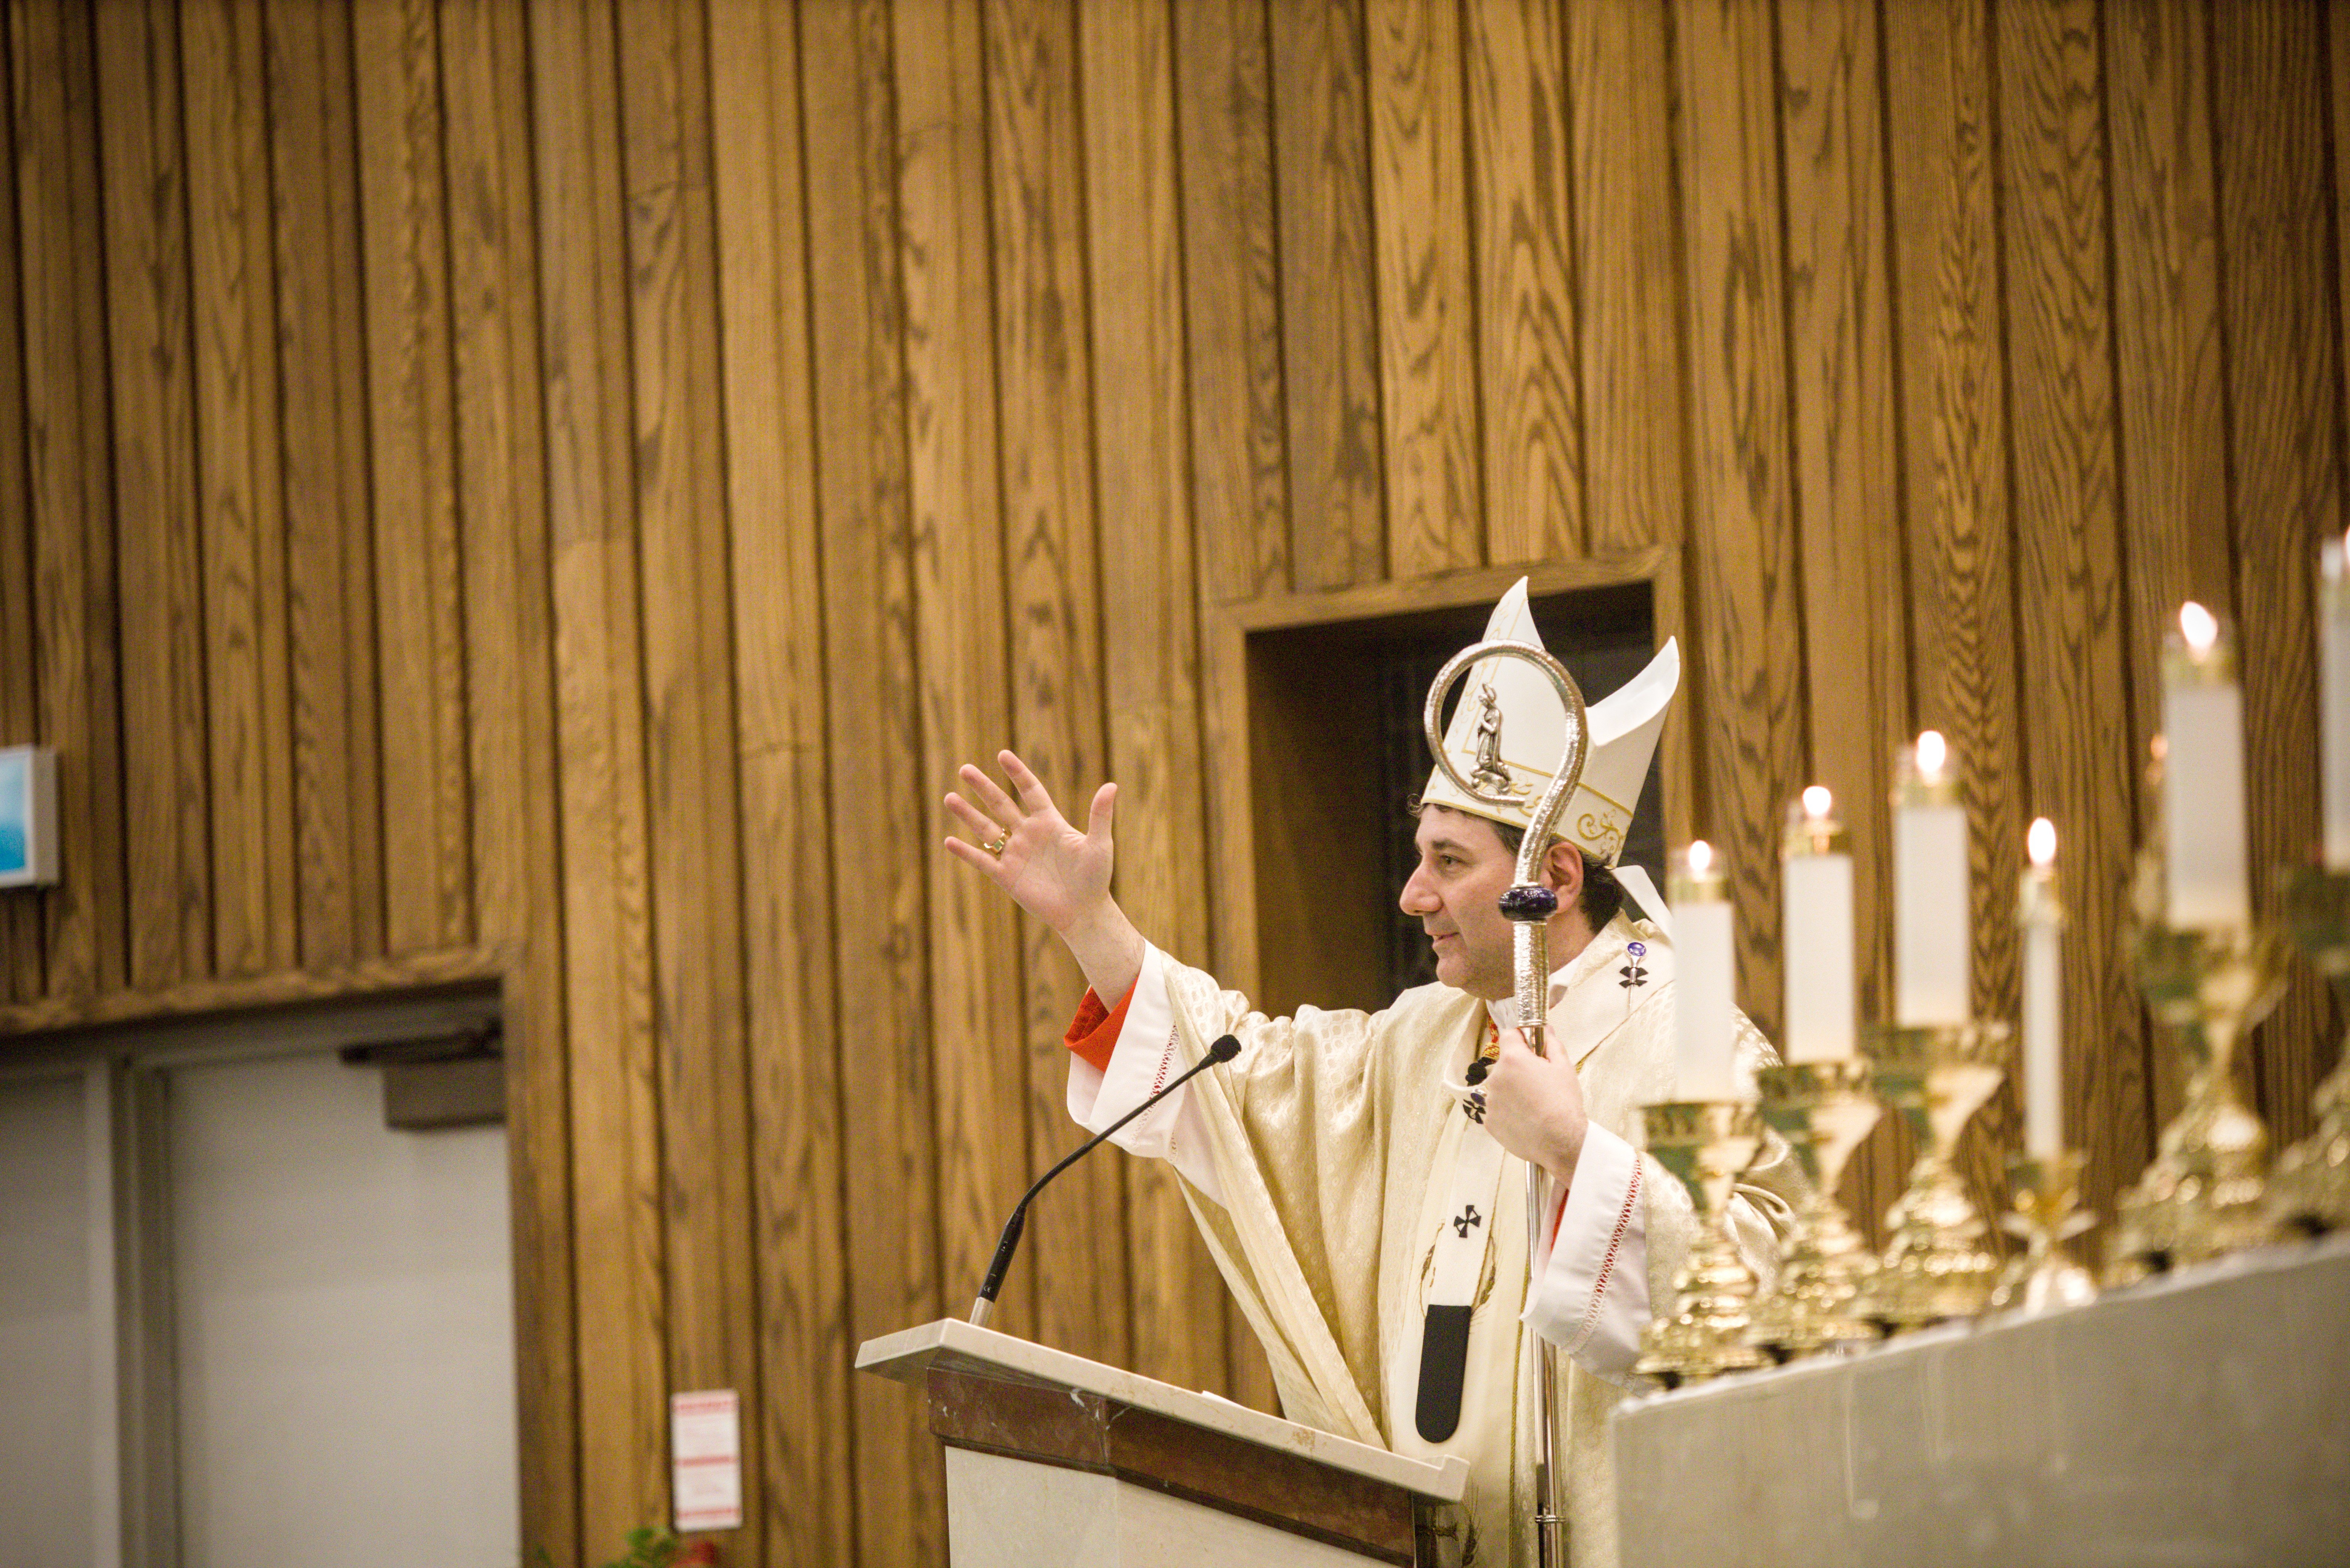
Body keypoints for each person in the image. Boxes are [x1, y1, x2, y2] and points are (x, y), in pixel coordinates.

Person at [944, 581, 1800, 1568]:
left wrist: (1577, 1151)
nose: (1412, 892)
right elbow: (1254, 1079)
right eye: (1417, 855)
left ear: (1555, 877)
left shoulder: (1695, 1046)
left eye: (1447, 860)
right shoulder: (1425, 1038)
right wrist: (1091, 924)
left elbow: (1767, 1309)